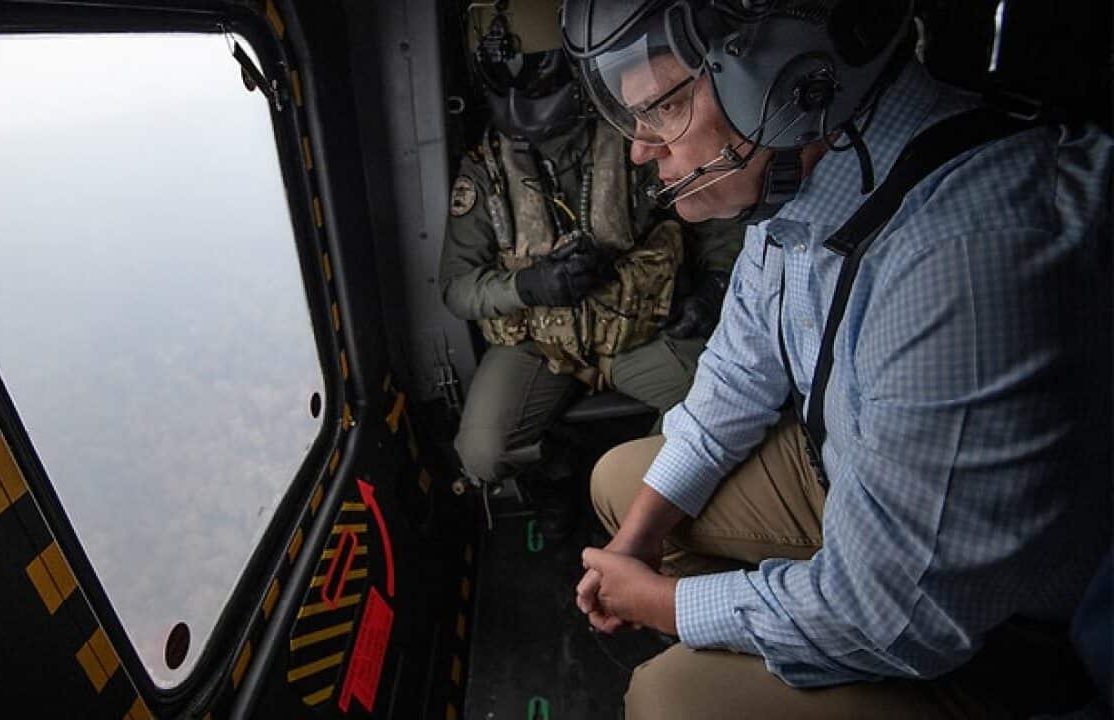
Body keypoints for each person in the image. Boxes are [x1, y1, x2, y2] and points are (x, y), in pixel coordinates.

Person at [560, 0, 1113, 717]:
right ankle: (767, 641)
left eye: (663, 107)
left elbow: (895, 617)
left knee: (667, 700)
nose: (639, 148)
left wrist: (666, 604)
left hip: (998, 635)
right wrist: (638, 544)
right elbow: (736, 374)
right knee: (622, 486)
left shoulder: (960, 264)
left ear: (784, 75)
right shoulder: (798, 164)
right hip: (858, 481)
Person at [440, 0, 744, 515]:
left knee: (723, 403)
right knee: (481, 454)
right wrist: (526, 286)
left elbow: (717, 211)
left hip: (640, 332)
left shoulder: (636, 137)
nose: (522, 90)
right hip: (540, 343)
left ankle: (644, 498)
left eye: (537, 73)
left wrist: (715, 285)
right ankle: (562, 484)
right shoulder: (485, 171)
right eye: (505, 74)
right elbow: (456, 287)